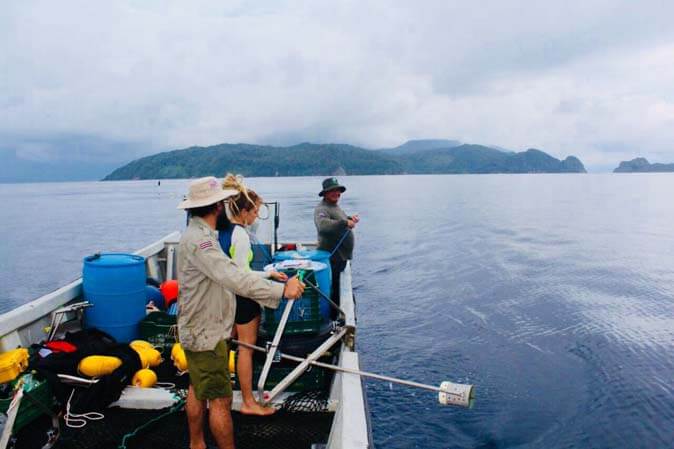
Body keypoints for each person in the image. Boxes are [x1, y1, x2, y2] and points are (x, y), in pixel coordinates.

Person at [176, 176, 304, 449]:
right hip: (206, 335)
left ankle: (196, 444)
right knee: (220, 401)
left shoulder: (198, 236)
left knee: (197, 388)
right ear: (218, 207)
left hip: (200, 329)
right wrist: (281, 291)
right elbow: (235, 278)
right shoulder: (202, 243)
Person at [215, 174, 287, 416]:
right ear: (244, 211)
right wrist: (270, 280)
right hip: (242, 299)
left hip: (222, 298)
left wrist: (268, 275)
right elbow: (243, 278)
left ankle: (218, 394)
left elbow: (231, 271)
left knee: (224, 346)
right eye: (255, 211)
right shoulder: (241, 235)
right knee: (246, 348)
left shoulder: (217, 232)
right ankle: (248, 401)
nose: (257, 216)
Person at [313, 177, 358, 307]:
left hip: (340, 258)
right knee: (333, 290)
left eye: (338, 190)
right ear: (325, 193)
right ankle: (334, 316)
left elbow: (337, 219)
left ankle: (337, 312)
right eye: (332, 190)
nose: (336, 193)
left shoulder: (334, 206)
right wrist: (345, 222)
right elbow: (323, 225)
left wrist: (350, 219)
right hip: (331, 257)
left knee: (338, 287)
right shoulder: (321, 209)